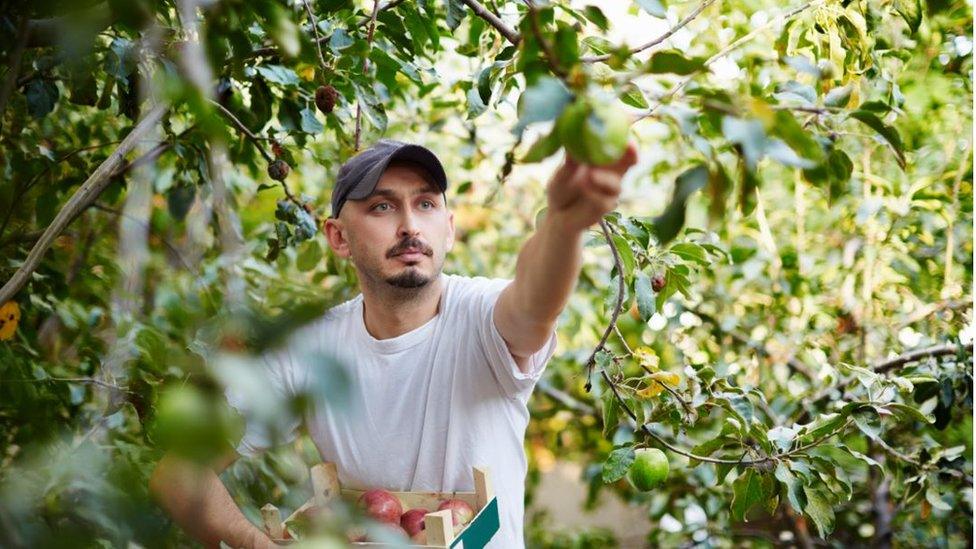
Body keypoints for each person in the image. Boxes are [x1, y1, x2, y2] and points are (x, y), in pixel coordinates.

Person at [149, 138, 637, 548]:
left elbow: (535, 303)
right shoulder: (309, 350)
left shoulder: (480, 319)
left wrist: (564, 224)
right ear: (338, 238)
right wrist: (258, 544)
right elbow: (177, 475)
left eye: (426, 204)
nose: (409, 225)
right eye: (382, 206)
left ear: (449, 228)